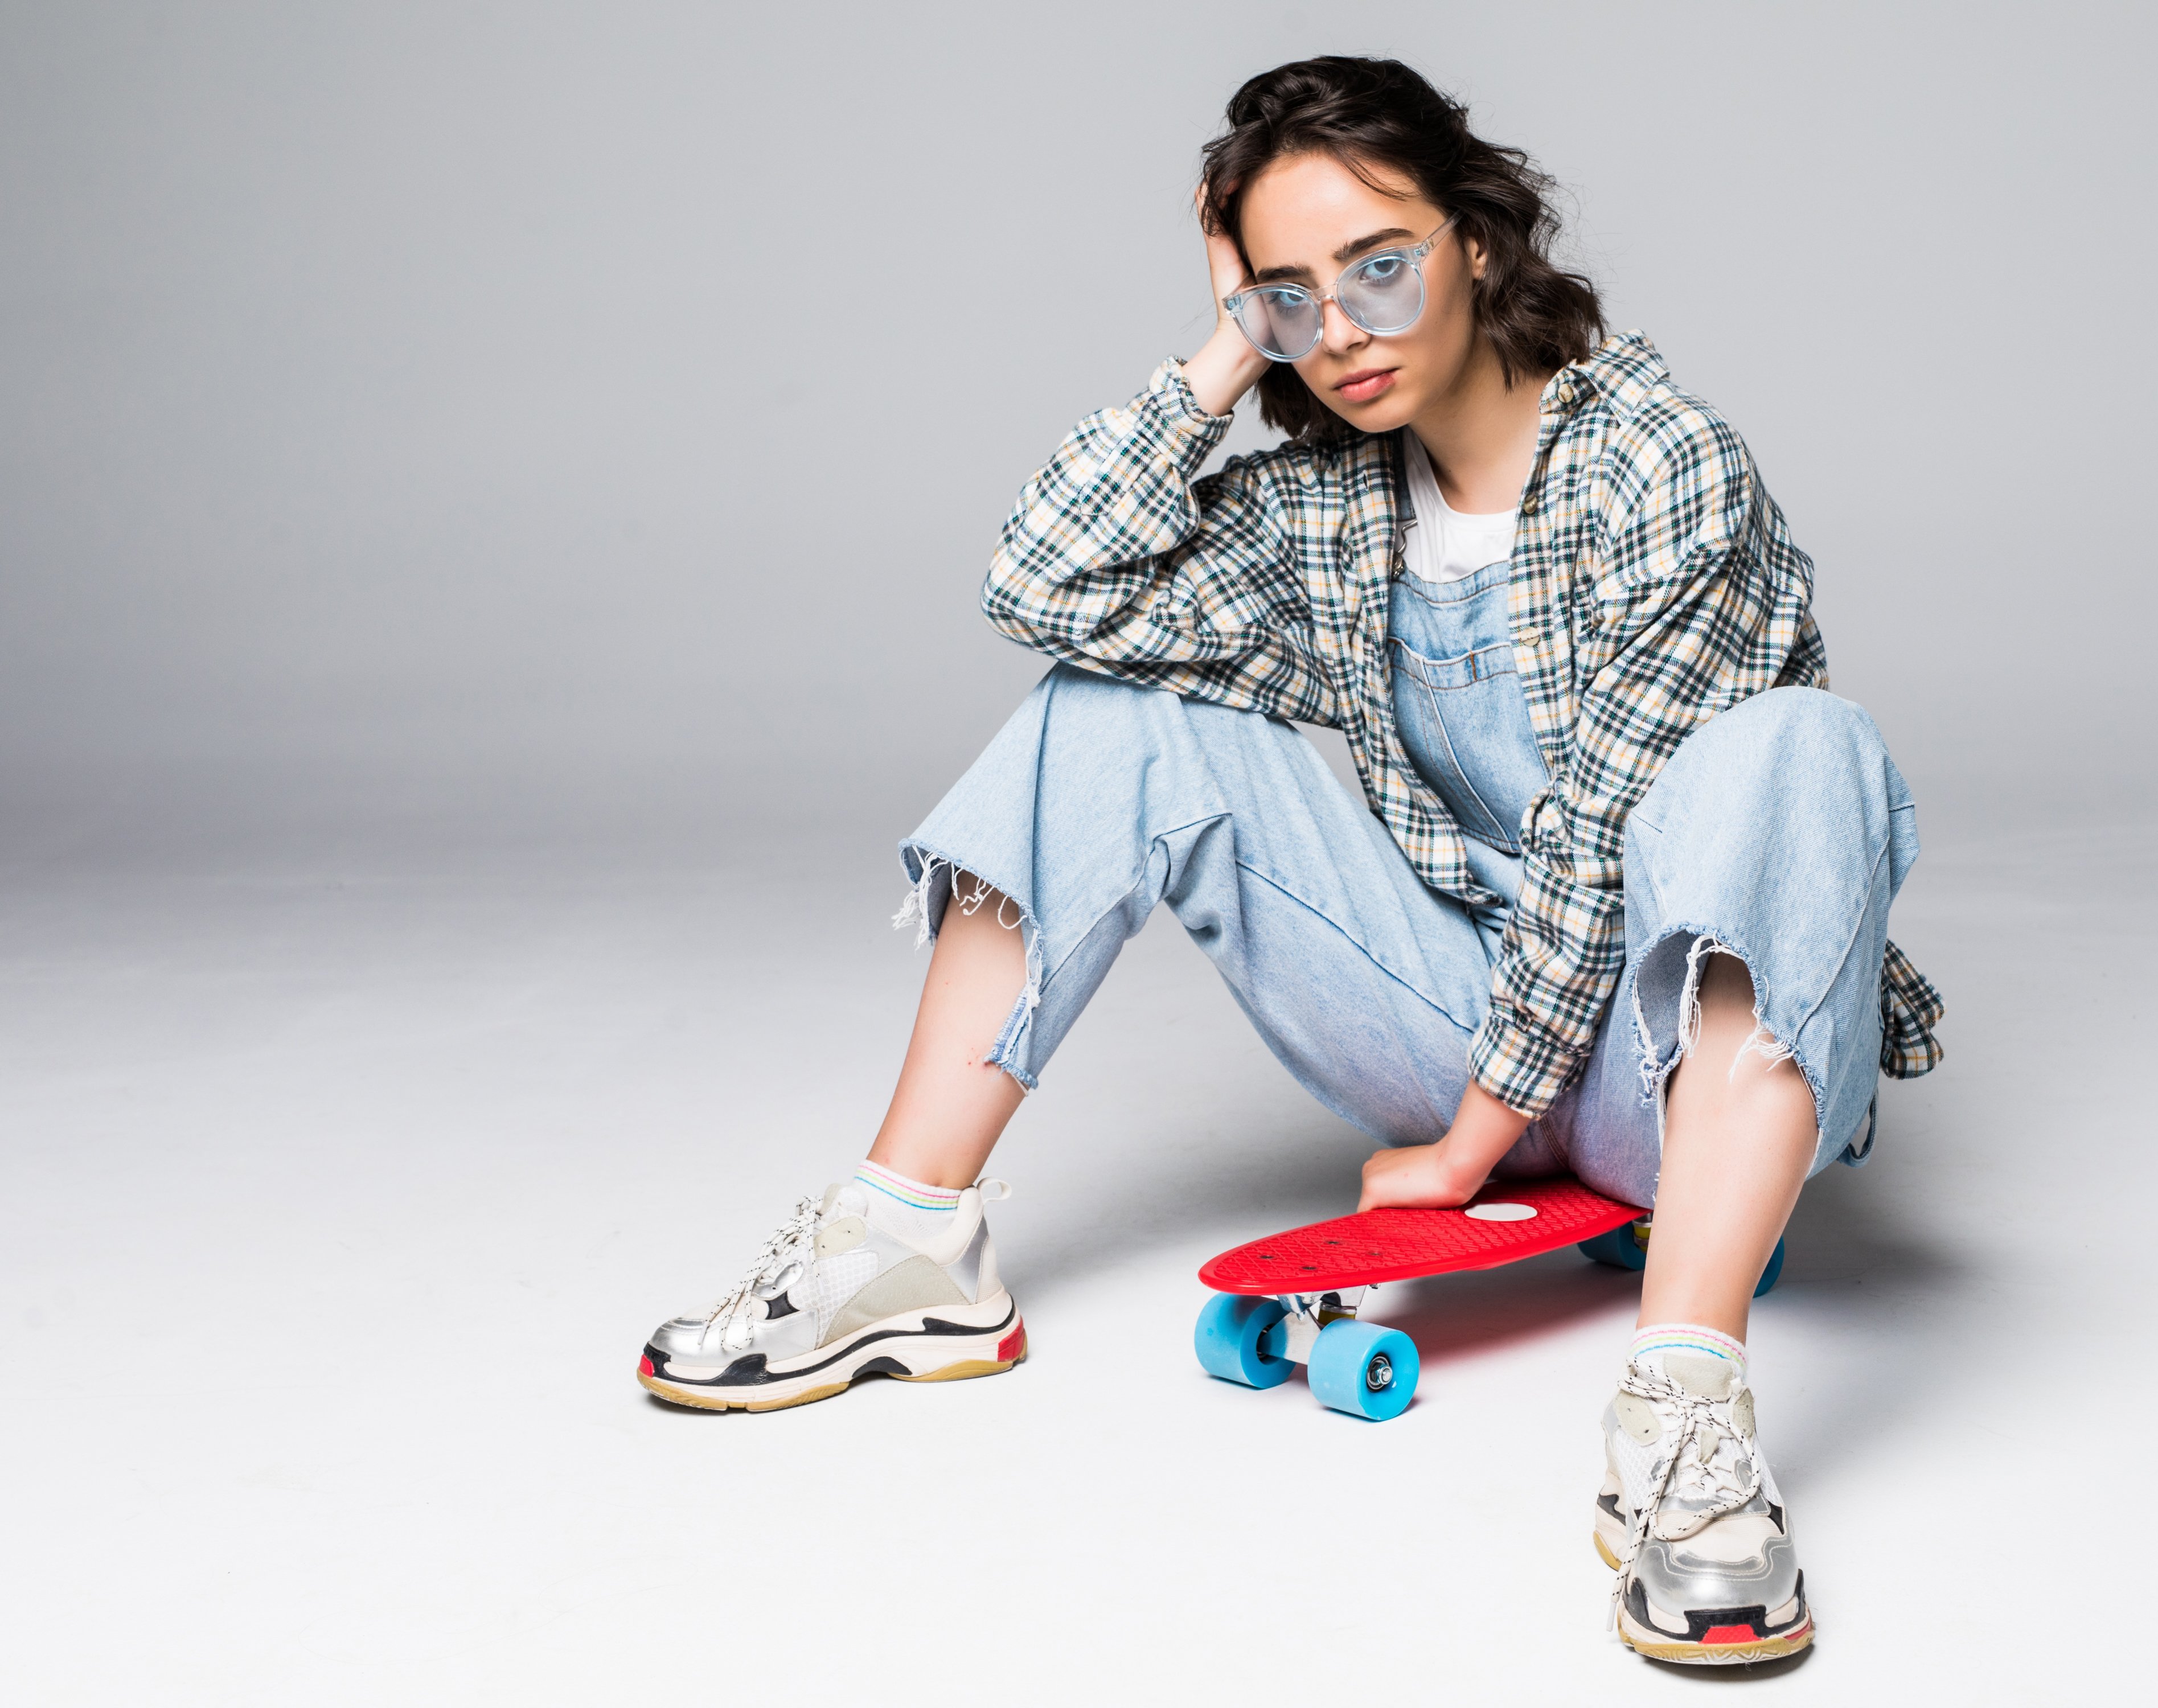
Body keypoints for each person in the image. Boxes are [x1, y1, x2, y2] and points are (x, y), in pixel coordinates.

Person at [634, 55, 1942, 1666]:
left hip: (1678, 1070)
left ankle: (1682, 1426)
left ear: (1476, 237)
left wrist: (1465, 1151)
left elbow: (1605, 841)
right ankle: (908, 1238)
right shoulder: (1322, 507)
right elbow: (1040, 586)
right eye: (1291, 298)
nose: (1346, 330)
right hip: (1456, 1015)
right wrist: (1214, 340)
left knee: (1802, 746)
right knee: (1106, 710)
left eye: (1379, 264)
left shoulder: (1655, 460)